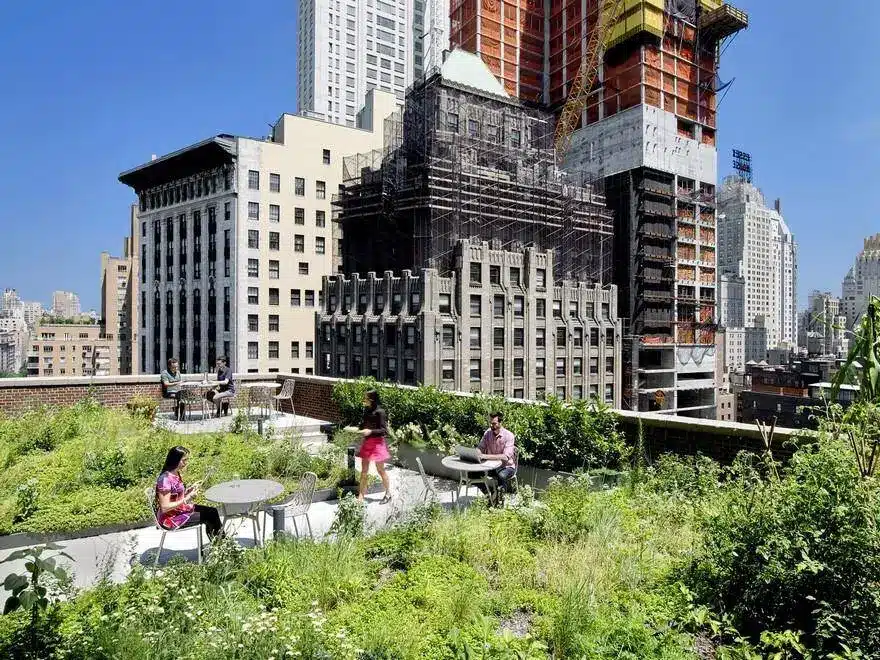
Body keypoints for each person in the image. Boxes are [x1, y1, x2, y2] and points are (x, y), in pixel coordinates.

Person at [154, 446, 224, 541]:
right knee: (209, 515)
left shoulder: (175, 473)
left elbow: (174, 495)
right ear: (175, 460)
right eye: (184, 460)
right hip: (170, 519)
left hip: (177, 511)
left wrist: (188, 491)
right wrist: (186, 499)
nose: (185, 463)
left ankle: (218, 543)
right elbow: (165, 507)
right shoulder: (165, 479)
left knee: (212, 511)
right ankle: (221, 545)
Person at [356, 390, 392, 503]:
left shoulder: (380, 412)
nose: (364, 400)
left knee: (380, 470)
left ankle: (388, 493)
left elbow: (383, 431)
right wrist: (357, 428)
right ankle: (361, 496)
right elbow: (363, 425)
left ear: (372, 399)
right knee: (364, 471)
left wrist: (370, 431)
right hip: (367, 443)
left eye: (366, 398)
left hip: (377, 444)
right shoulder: (366, 410)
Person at [475, 412, 517, 504]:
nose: (491, 426)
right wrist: (477, 453)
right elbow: (480, 447)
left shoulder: (509, 435)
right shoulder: (487, 433)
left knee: (501, 475)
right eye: (490, 423)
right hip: (491, 466)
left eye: (494, 423)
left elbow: (505, 457)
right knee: (472, 473)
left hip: (507, 467)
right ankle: (489, 493)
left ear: (501, 423)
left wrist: (485, 456)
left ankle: (500, 501)